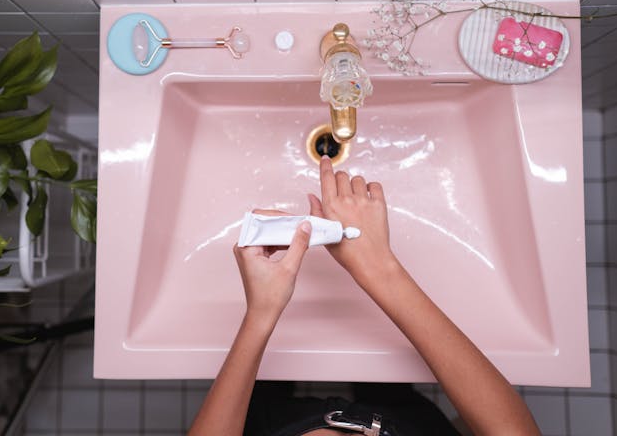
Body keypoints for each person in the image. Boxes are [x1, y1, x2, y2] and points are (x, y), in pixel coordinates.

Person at [187, 156, 541, 436]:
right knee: (390, 389)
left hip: (267, 424)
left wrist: (261, 315)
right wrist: (379, 268)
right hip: (405, 424)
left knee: (268, 385)